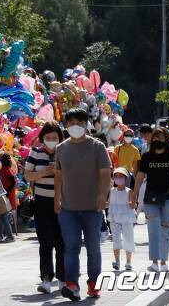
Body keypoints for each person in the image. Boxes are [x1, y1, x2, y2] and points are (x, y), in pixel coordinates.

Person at [54, 108, 111, 301]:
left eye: (79, 122)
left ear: (86, 124)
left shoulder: (97, 147)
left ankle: (94, 284)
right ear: (66, 125)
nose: (74, 126)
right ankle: (72, 284)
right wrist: (56, 199)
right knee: (71, 247)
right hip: (68, 209)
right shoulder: (61, 148)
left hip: (92, 209)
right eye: (70, 123)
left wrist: (103, 195)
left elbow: (105, 173)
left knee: (93, 247)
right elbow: (59, 175)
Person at [133, 127, 169, 273]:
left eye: (160, 138)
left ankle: (164, 262)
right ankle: (154, 262)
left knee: (166, 231)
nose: (157, 141)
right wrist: (134, 194)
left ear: (166, 140)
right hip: (151, 199)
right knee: (153, 231)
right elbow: (140, 177)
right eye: (155, 138)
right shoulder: (147, 156)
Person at [24, 120, 65, 295]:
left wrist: (59, 172)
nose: (51, 140)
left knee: (62, 243)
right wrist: (42, 173)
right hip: (41, 202)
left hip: (63, 203)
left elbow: (72, 175)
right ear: (42, 138)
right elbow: (27, 175)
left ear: (59, 138)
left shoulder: (65, 152)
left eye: (54, 137)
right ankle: (46, 279)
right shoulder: (35, 153)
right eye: (47, 137)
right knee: (45, 242)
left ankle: (63, 279)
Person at [108, 168, 137, 271]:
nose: (118, 179)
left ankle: (128, 262)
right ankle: (117, 261)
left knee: (128, 239)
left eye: (121, 176)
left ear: (125, 179)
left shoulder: (129, 191)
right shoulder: (111, 191)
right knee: (116, 240)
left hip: (126, 218)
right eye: (116, 176)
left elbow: (133, 203)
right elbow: (108, 203)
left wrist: (132, 203)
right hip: (114, 218)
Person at [0, 153, 16, 243]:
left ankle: (10, 236)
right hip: (3, 195)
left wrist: (7, 191)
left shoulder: (7, 170)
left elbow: (13, 181)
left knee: (3, 216)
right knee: (1, 215)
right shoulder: (2, 170)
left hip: (7, 196)